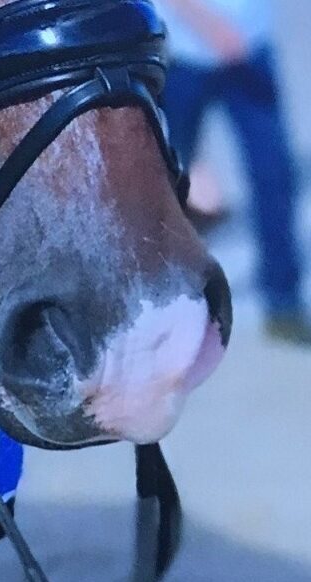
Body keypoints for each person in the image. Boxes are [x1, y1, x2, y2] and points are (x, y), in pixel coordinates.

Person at [158, 0, 311, 345]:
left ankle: (283, 304)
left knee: (275, 177)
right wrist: (211, 25)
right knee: (165, 179)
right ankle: (163, 307)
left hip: (250, 51)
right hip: (185, 55)